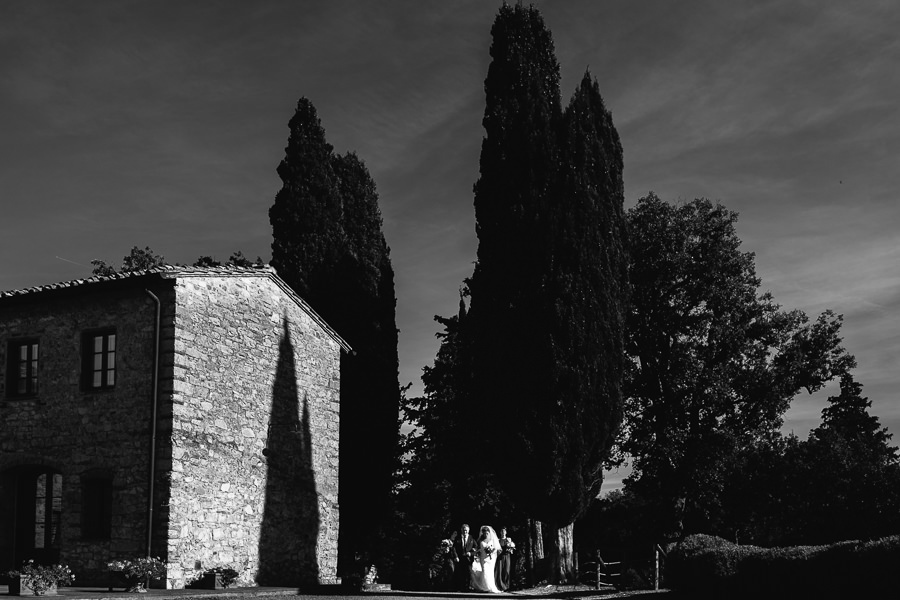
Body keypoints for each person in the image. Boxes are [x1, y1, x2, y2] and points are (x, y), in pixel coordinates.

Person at [470, 525, 502, 593]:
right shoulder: (480, 540)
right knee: (485, 571)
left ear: (489, 532)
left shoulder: (492, 539)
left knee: (490, 572)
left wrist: (492, 551)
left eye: (487, 533)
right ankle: (486, 587)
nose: (486, 534)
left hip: (491, 559)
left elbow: (496, 548)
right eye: (484, 533)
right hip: (483, 558)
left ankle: (490, 587)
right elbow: (478, 548)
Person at [454, 523, 476, 591]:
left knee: (468, 573)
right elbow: (454, 548)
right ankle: (461, 587)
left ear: (468, 530)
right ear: (461, 530)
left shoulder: (471, 538)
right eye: (463, 530)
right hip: (460, 559)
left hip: (468, 559)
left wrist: (471, 553)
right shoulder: (457, 538)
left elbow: (476, 548)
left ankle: (467, 587)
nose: (465, 532)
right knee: (460, 573)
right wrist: (456, 556)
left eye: (466, 530)